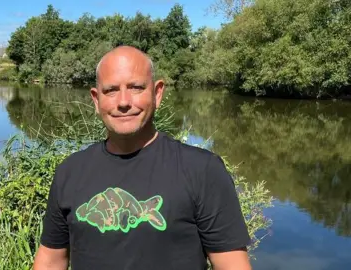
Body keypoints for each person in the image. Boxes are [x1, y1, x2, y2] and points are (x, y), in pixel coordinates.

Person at [33, 46, 252, 270]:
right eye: (111, 90)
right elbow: (50, 262)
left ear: (157, 93)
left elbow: (232, 265)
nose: (124, 101)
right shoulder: (70, 172)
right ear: (96, 100)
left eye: (136, 87)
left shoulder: (203, 170)